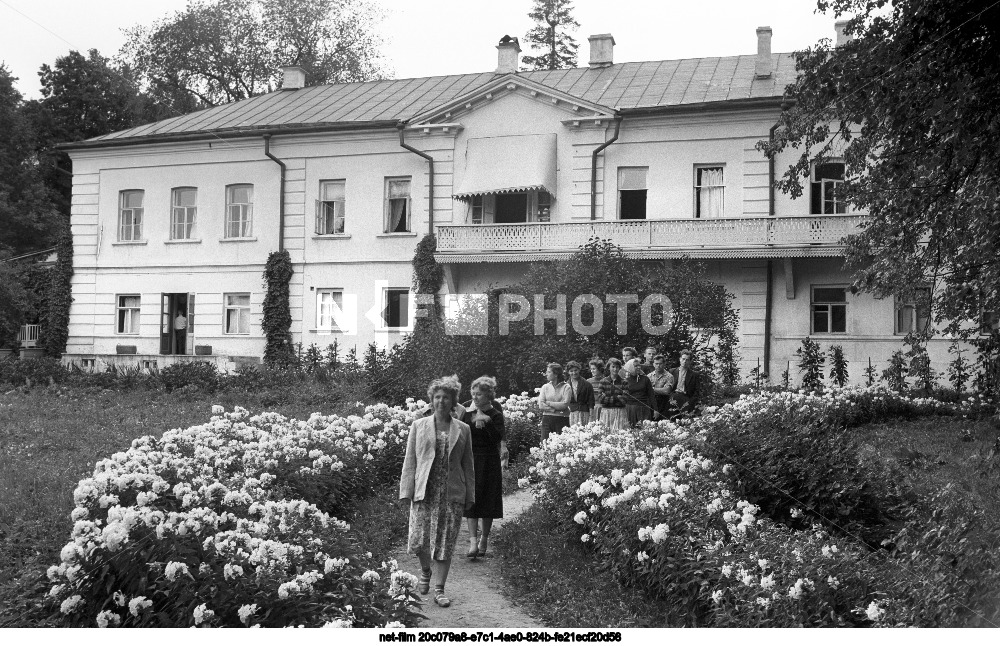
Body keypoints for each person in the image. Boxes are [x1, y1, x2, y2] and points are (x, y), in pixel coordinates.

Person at [399, 376, 476, 608]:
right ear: (431, 400)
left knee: (445, 541)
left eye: (446, 397)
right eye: (437, 397)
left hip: (451, 494)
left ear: (453, 401)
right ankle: (425, 570)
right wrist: (406, 491)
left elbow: (468, 465)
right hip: (425, 490)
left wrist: (470, 496)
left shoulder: (463, 429)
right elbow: (410, 460)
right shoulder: (419, 425)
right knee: (419, 539)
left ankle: (440, 589)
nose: (441, 401)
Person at [461, 376, 507, 560]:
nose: (475, 397)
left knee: (487, 500)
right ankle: (472, 542)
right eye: (473, 393)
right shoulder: (467, 411)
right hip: (471, 459)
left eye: (479, 394)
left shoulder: (495, 414)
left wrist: (486, 422)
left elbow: (497, 438)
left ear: (488, 395)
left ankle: (484, 539)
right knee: (471, 499)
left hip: (489, 460)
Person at [538, 363, 572, 441]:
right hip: (547, 419)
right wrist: (554, 410)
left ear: (556, 374)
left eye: (549, 372)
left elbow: (564, 405)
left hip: (562, 419)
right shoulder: (545, 387)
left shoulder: (566, 387)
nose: (546, 374)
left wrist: (548, 403)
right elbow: (541, 405)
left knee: (561, 445)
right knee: (545, 444)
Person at [621, 358, 655, 426]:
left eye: (639, 365)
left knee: (644, 430)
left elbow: (651, 395)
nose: (638, 367)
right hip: (629, 409)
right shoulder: (625, 381)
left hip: (643, 408)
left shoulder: (645, 379)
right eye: (636, 366)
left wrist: (655, 410)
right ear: (630, 367)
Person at [597, 358, 629, 430]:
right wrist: (617, 397)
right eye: (613, 367)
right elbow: (600, 399)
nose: (615, 369)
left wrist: (608, 398)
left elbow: (624, 400)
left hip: (620, 412)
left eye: (617, 367)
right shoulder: (603, 381)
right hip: (606, 412)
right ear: (609, 368)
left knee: (620, 433)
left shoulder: (624, 382)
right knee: (605, 433)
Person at [669, 349, 701, 414]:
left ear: (690, 361)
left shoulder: (694, 374)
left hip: (686, 398)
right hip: (673, 397)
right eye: (683, 359)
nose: (684, 361)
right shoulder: (672, 371)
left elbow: (697, 391)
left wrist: (691, 402)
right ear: (680, 359)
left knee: (685, 420)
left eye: (687, 360)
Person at [565, 360, 595, 427]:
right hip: (571, 414)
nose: (574, 373)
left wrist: (591, 417)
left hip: (584, 413)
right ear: (568, 372)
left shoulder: (587, 384)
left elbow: (591, 402)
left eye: (575, 370)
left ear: (579, 370)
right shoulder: (566, 385)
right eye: (571, 371)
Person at [648, 354, 675, 420]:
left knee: (663, 422)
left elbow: (667, 391)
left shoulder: (669, 376)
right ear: (653, 364)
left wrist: (652, 389)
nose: (658, 366)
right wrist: (660, 390)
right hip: (651, 402)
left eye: (660, 364)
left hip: (664, 402)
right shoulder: (649, 376)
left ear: (664, 364)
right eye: (656, 363)